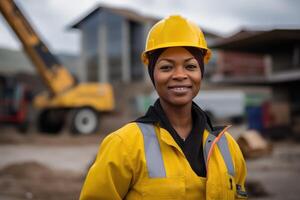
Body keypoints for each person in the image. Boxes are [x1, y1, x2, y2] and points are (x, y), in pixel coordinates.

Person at [79, 15, 247, 200]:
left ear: (201, 73)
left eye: (190, 66)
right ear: (152, 75)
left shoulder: (227, 147)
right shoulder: (124, 144)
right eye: (166, 67)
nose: (180, 75)